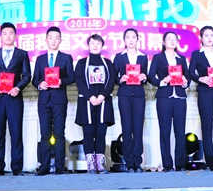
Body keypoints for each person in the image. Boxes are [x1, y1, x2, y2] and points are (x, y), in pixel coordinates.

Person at [0, 22, 32, 176]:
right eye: (5, 33)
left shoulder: (22, 54)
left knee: (16, 133)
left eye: (11, 33)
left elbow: (27, 76)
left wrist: (18, 87)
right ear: (1, 36)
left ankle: (17, 167)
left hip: (14, 98)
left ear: (15, 36)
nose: (8, 36)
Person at [32, 26, 75, 176]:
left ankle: (59, 166)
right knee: (44, 134)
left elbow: (72, 77)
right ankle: (44, 166)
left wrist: (61, 81)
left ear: (60, 40)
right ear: (46, 40)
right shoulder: (40, 59)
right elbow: (34, 79)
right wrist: (40, 84)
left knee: (59, 134)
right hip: (44, 101)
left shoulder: (66, 58)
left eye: (57, 38)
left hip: (59, 100)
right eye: (51, 37)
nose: (53, 40)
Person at [147, 31, 190, 172]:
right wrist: (162, 81)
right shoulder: (158, 58)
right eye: (169, 38)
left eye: (175, 39)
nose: (172, 41)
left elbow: (188, 77)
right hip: (164, 97)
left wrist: (185, 82)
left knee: (180, 131)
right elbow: (151, 76)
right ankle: (167, 164)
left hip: (180, 98)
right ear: (163, 42)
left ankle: (180, 164)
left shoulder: (182, 59)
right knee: (165, 131)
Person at [189, 26, 213, 171]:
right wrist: (200, 78)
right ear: (201, 38)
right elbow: (190, 72)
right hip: (205, 92)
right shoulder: (196, 54)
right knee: (207, 128)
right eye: (206, 35)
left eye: (212, 35)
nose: (209, 38)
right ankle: (211, 162)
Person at [74, 34, 117, 174]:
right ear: (88, 45)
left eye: (98, 43)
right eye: (92, 43)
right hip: (86, 102)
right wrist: (91, 97)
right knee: (88, 133)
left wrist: (102, 96)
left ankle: (100, 164)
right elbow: (79, 81)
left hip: (104, 102)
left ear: (102, 45)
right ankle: (91, 165)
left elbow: (111, 81)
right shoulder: (81, 63)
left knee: (101, 133)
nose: (95, 46)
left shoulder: (108, 63)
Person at [113, 28, 148, 173]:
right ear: (124, 40)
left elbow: (146, 77)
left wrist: (144, 78)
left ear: (138, 39)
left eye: (134, 37)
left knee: (138, 129)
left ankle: (137, 162)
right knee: (126, 129)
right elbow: (114, 78)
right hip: (124, 95)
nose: (131, 39)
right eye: (128, 37)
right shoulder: (119, 57)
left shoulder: (143, 57)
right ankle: (128, 162)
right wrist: (120, 79)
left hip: (139, 95)